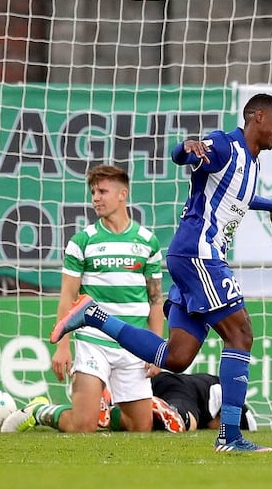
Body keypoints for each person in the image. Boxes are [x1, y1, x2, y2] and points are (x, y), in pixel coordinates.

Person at [49, 93, 272, 453]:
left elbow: (237, 197)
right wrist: (186, 147)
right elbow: (186, 155)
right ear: (257, 116)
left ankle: (95, 316)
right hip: (200, 253)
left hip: (194, 255)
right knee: (240, 335)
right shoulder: (225, 145)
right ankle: (230, 435)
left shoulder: (251, 162)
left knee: (176, 358)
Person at [30, 165, 165, 433]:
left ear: (122, 194)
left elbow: (156, 300)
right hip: (94, 342)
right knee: (83, 426)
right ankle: (41, 411)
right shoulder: (82, 241)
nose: (96, 198)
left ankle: (107, 416)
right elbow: (68, 296)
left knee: (141, 427)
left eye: (102, 191)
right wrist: (62, 345)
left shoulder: (148, 242)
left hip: (134, 344)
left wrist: (156, 349)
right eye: (93, 192)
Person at [1, 372, 258, 434]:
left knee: (137, 426)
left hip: (166, 388)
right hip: (180, 390)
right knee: (182, 423)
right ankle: (164, 411)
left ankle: (41, 409)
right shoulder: (228, 405)